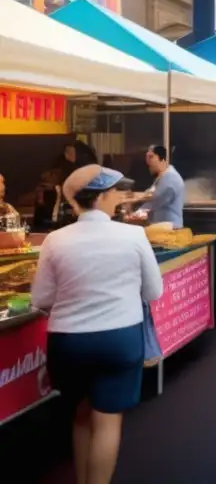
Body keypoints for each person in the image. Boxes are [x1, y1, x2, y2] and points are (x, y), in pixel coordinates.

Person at [32, 165, 163, 484]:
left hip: (67, 341)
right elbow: (153, 291)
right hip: (119, 338)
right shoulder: (133, 235)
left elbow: (41, 298)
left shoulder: (55, 240)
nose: (118, 196)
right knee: (107, 420)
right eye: (115, 191)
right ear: (103, 196)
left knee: (80, 414)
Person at [143, 145, 185, 229]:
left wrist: (135, 213)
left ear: (161, 159)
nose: (147, 161)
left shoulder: (170, 178)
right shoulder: (162, 177)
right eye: (146, 157)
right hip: (160, 226)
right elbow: (149, 195)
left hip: (171, 229)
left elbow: (155, 201)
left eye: (151, 157)